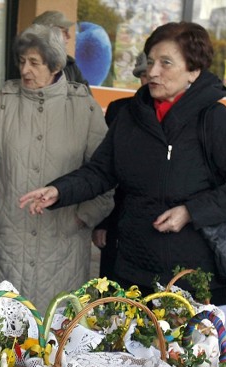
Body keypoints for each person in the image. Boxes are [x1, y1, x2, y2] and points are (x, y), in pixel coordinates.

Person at [19, 22, 226, 305]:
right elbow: (101, 171)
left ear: (193, 71)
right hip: (132, 268)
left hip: (192, 276)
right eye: (150, 62)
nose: (153, 71)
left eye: (166, 63)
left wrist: (191, 211)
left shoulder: (214, 120)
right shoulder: (132, 115)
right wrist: (59, 191)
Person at [0, 24, 112, 310]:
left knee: (54, 332)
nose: (25, 70)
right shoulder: (3, 103)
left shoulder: (83, 108)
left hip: (63, 240)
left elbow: (105, 171)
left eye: (35, 63)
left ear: (55, 65)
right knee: (2, 329)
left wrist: (85, 216)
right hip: (9, 235)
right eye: (22, 61)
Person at [92, 52, 148, 281]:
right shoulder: (120, 110)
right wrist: (101, 222)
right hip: (117, 222)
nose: (150, 79)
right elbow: (104, 171)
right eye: (143, 74)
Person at [32, 10, 88, 87]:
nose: (69, 36)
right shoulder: (27, 64)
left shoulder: (70, 65)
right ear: (47, 34)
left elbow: (86, 97)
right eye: (65, 31)